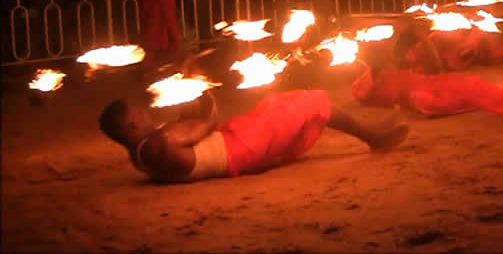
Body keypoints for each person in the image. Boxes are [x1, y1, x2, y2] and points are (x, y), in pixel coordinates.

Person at [99, 90, 409, 183]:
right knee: (314, 101)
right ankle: (373, 137)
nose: (145, 112)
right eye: (137, 113)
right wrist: (205, 100)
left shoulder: (140, 153)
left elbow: (186, 135)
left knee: (280, 103)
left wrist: (188, 111)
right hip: (240, 147)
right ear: (130, 127)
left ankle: (371, 133)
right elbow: (206, 124)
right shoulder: (154, 145)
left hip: (236, 145)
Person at [352, 62, 503, 122]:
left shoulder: (396, 71)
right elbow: (364, 93)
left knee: (473, 86)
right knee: (469, 95)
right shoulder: (371, 89)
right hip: (425, 97)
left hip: (436, 84)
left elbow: (436, 65)